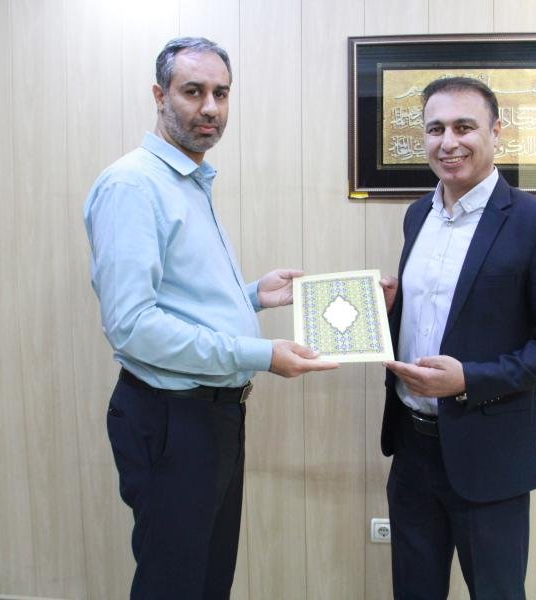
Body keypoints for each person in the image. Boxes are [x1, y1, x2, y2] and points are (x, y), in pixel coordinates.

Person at [83, 37, 337, 600]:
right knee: (174, 583)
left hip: (214, 416)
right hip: (171, 419)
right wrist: (262, 355)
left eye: (221, 94)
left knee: (208, 577)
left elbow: (179, 298)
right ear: (159, 95)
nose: (210, 108)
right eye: (193, 91)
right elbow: (133, 326)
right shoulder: (133, 185)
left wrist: (251, 297)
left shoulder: (189, 180)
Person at [380, 77, 536, 599]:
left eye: (463, 127)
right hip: (411, 449)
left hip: (491, 457)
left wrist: (468, 379)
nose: (448, 142)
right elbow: (441, 316)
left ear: (496, 133)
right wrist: (390, 310)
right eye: (435, 129)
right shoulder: (418, 215)